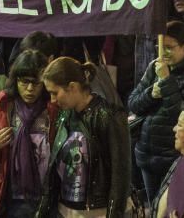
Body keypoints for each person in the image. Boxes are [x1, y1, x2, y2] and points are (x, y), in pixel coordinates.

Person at [127, 22, 184, 202]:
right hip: (147, 154)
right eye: (159, 46)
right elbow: (133, 104)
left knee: (172, 208)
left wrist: (166, 81)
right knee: (153, 207)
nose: (163, 52)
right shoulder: (154, 67)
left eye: (169, 47)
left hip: (173, 160)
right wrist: (151, 93)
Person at [41, 56, 130, 217]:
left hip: (97, 212)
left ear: (72, 87)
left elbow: (120, 176)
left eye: (55, 93)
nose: (52, 100)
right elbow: (54, 167)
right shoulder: (65, 116)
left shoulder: (109, 117)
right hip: (66, 210)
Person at [0, 50, 59, 217]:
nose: (30, 89)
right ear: (15, 80)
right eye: (24, 82)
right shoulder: (6, 107)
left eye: (36, 83)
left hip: (50, 195)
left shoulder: (53, 108)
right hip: (15, 197)